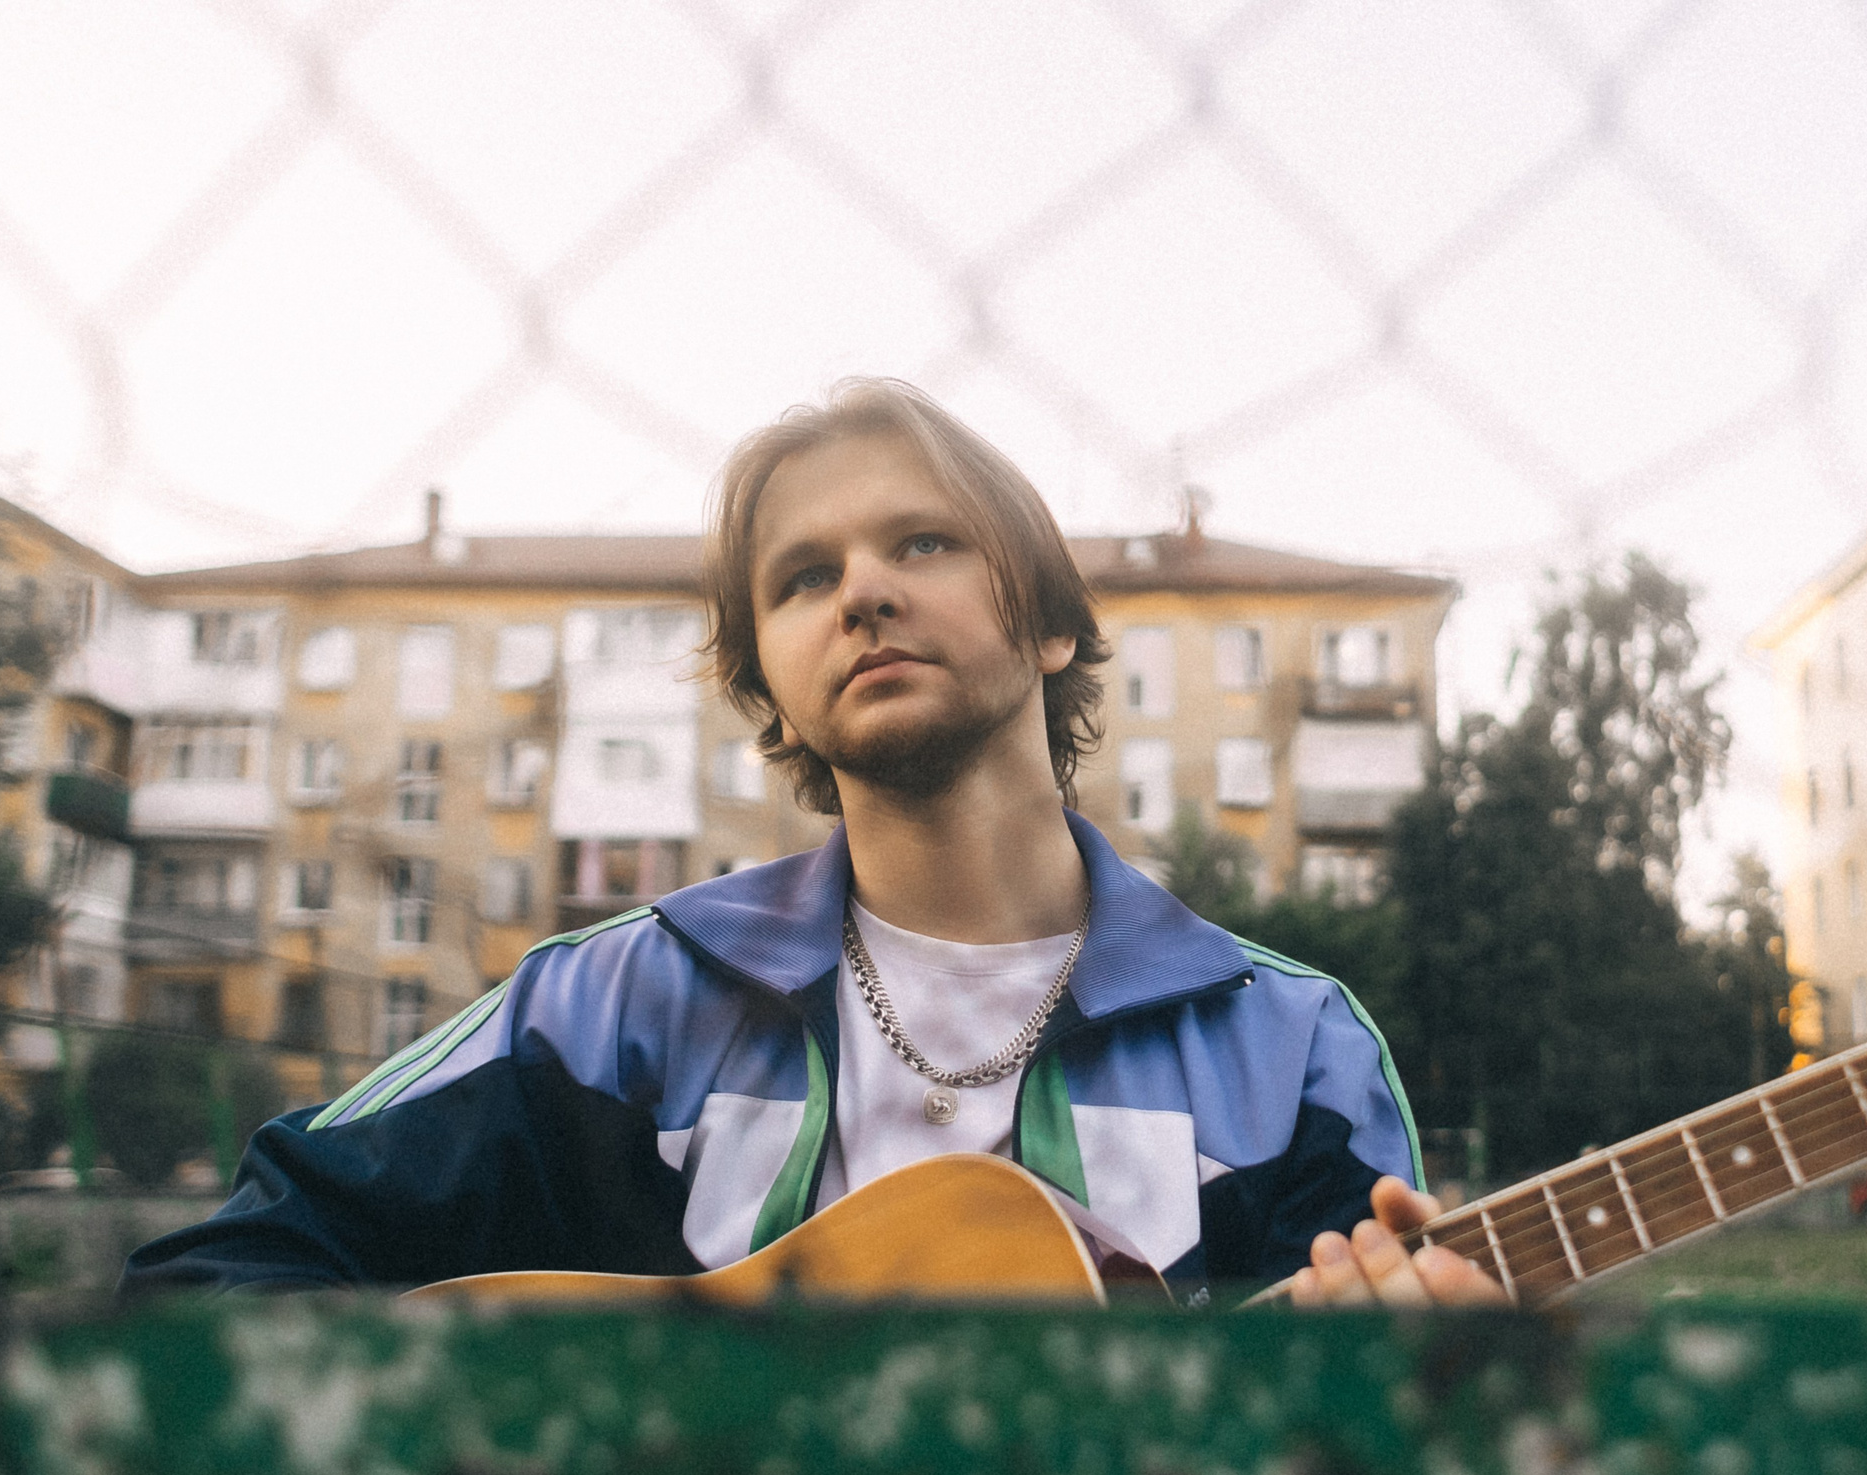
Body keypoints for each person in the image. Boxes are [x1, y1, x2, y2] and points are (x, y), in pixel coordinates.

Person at [124, 379, 1501, 1308]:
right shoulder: (614, 1007)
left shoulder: (1291, 1046)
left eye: (923, 543)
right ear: (765, 681)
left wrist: (1433, 1398)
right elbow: (219, 1273)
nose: (865, 594)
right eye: (802, 578)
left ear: (1050, 624)